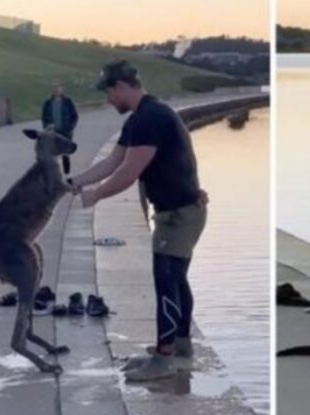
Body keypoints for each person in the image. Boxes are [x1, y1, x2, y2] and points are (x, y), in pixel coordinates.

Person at [68, 60, 207, 381]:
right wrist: (75, 183)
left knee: (166, 279)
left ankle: (164, 358)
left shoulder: (152, 119)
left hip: (179, 216)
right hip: (179, 212)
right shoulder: (141, 117)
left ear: (121, 87)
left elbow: (129, 173)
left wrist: (96, 195)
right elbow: (112, 161)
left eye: (108, 93)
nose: (107, 100)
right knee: (176, 278)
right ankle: (179, 344)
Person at [42, 79, 79, 174]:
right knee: (53, 155)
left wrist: (70, 127)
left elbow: (74, 116)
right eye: (54, 87)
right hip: (53, 133)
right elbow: (44, 118)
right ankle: (55, 175)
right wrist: (47, 128)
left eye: (58, 87)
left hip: (65, 132)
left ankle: (67, 175)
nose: (56, 89)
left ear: (62, 89)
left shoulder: (67, 102)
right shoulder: (48, 103)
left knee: (65, 155)